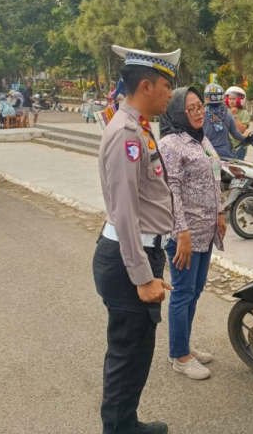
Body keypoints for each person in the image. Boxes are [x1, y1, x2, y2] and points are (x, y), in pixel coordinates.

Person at [92, 44, 179, 434]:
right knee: (128, 355)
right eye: (166, 86)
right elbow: (125, 210)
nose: (170, 94)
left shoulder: (137, 128)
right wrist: (142, 276)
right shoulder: (127, 133)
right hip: (131, 257)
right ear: (146, 86)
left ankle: (125, 423)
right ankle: (118, 429)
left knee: (135, 352)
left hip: (139, 251)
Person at [159, 87, 226, 381]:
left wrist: (220, 213)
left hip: (205, 231)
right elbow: (170, 190)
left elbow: (215, 176)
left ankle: (184, 344)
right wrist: (181, 233)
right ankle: (179, 356)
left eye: (200, 106)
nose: (199, 112)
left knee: (195, 292)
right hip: (184, 236)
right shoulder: (170, 144)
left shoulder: (201, 139)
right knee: (182, 293)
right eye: (191, 108)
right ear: (177, 112)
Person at [203, 83, 248, 159]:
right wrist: (245, 136)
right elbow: (236, 135)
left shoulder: (201, 115)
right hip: (225, 155)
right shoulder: (228, 114)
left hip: (208, 154)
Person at [225, 86, 251, 160]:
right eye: (230, 99)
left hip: (239, 145)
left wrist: (234, 115)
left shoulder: (244, 113)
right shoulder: (225, 112)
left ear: (240, 100)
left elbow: (242, 130)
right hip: (227, 146)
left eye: (234, 99)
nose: (231, 101)